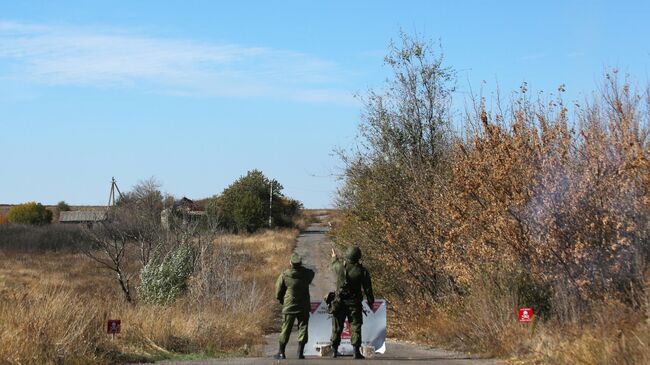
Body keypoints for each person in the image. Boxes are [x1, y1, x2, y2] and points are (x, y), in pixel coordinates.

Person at [330, 246, 374, 359]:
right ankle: (356, 352)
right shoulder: (362, 271)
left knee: (337, 327)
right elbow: (368, 288)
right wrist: (370, 302)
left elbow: (334, 263)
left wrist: (334, 257)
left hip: (339, 303)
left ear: (347, 256)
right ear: (358, 257)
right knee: (355, 327)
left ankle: (334, 351)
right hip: (354, 304)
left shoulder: (340, 267)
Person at [274, 252, 315, 359]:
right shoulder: (307, 274)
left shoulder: (284, 275)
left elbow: (278, 292)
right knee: (303, 328)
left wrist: (282, 300)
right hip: (303, 305)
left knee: (286, 329)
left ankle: (281, 352)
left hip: (289, 305)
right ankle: (300, 353)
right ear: (300, 263)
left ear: (290, 263)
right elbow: (312, 273)